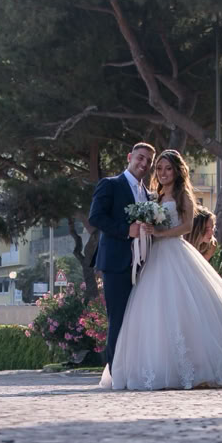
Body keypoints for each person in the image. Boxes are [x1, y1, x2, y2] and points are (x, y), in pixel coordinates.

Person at [99, 149, 222, 390]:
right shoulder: (153, 196)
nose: (163, 173)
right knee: (155, 313)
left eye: (168, 169)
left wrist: (160, 233)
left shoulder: (183, 194)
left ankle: (200, 367)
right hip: (153, 257)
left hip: (174, 251)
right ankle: (159, 367)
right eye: (160, 169)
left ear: (177, 171)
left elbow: (186, 227)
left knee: (185, 309)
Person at [87, 142, 156, 371]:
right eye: (140, 157)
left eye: (148, 161)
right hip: (116, 263)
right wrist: (126, 231)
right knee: (118, 319)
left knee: (140, 319)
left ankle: (136, 368)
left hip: (145, 265)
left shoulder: (148, 195)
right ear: (130, 157)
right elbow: (96, 217)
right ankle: (116, 372)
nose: (144, 163)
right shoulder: (111, 184)